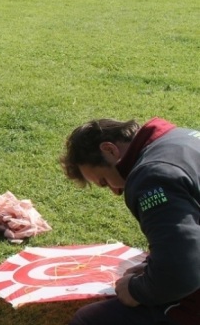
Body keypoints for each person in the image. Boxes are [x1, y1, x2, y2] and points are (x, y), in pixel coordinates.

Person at [59, 118, 200, 325]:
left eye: (104, 181)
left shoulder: (152, 176)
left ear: (110, 150)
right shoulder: (183, 137)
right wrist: (151, 266)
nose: (116, 191)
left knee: (89, 320)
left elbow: (182, 273)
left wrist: (137, 290)